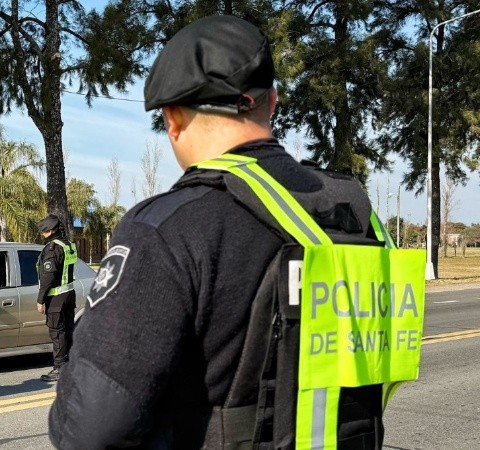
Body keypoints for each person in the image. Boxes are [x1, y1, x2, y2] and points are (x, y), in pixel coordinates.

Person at [48, 15, 424, 449]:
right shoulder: (357, 215)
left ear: (172, 118)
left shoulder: (165, 228)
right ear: (274, 102)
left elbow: (90, 429)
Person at [36, 214, 77, 382]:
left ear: (51, 231)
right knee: (67, 331)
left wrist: (40, 300)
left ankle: (60, 368)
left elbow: (48, 277)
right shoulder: (68, 245)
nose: (43, 235)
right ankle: (70, 366)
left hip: (56, 298)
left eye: (44, 232)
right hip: (68, 295)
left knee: (57, 333)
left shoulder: (52, 248)